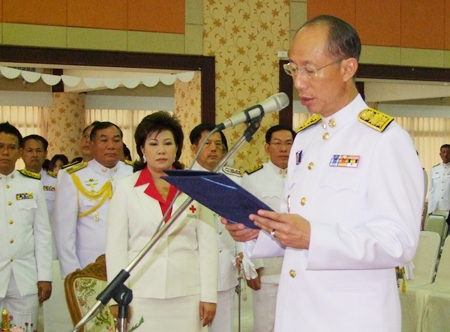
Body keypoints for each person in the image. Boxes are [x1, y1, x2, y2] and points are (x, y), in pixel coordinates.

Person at [223, 15, 424, 332]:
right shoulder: (305, 138)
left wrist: (314, 237)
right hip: (297, 313)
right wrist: (260, 231)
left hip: (352, 318)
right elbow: (298, 224)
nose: (299, 82)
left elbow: (399, 242)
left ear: (347, 68)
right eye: (294, 69)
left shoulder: (385, 139)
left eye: (310, 70)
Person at [106, 112, 218, 331]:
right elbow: (116, 246)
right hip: (140, 293)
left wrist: (209, 295)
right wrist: (115, 297)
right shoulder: (126, 188)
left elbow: (208, 245)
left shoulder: (196, 186)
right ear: (142, 149)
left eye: (168, 143)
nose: (161, 150)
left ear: (177, 148)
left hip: (188, 294)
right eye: (153, 143)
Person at [52, 121, 133, 278]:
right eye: (104, 140)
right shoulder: (74, 176)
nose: (111, 145)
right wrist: (73, 273)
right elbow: (63, 232)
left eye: (116, 140)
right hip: (88, 267)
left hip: (130, 264)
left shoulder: (134, 173)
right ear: (91, 144)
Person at [240, 124, 295, 332]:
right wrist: (252, 265)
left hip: (298, 268)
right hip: (268, 270)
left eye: (289, 143)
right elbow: (245, 222)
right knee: (266, 326)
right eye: (278, 143)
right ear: (266, 148)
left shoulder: (303, 176)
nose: (284, 149)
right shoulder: (253, 178)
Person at [189, 123, 242, 332]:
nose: (213, 148)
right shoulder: (182, 180)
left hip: (225, 269)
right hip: (194, 272)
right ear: (193, 148)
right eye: (207, 143)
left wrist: (243, 255)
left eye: (218, 144)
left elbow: (242, 221)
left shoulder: (234, 178)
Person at [0, 123, 52, 328]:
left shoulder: (31, 184)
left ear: (19, 152)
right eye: (0, 146)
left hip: (24, 278)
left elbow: (42, 234)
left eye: (11, 147)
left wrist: (45, 276)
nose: (5, 152)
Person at [21, 135, 59, 259]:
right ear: (21, 153)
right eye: (30, 150)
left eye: (39, 150)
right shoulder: (15, 182)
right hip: (22, 245)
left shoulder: (56, 182)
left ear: (45, 153)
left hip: (49, 244)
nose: (34, 155)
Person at [428, 144, 450, 216]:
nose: (445, 155)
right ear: (440, 154)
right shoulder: (434, 169)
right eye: (443, 152)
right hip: (437, 207)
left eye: (448, 152)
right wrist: (430, 210)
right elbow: (431, 190)